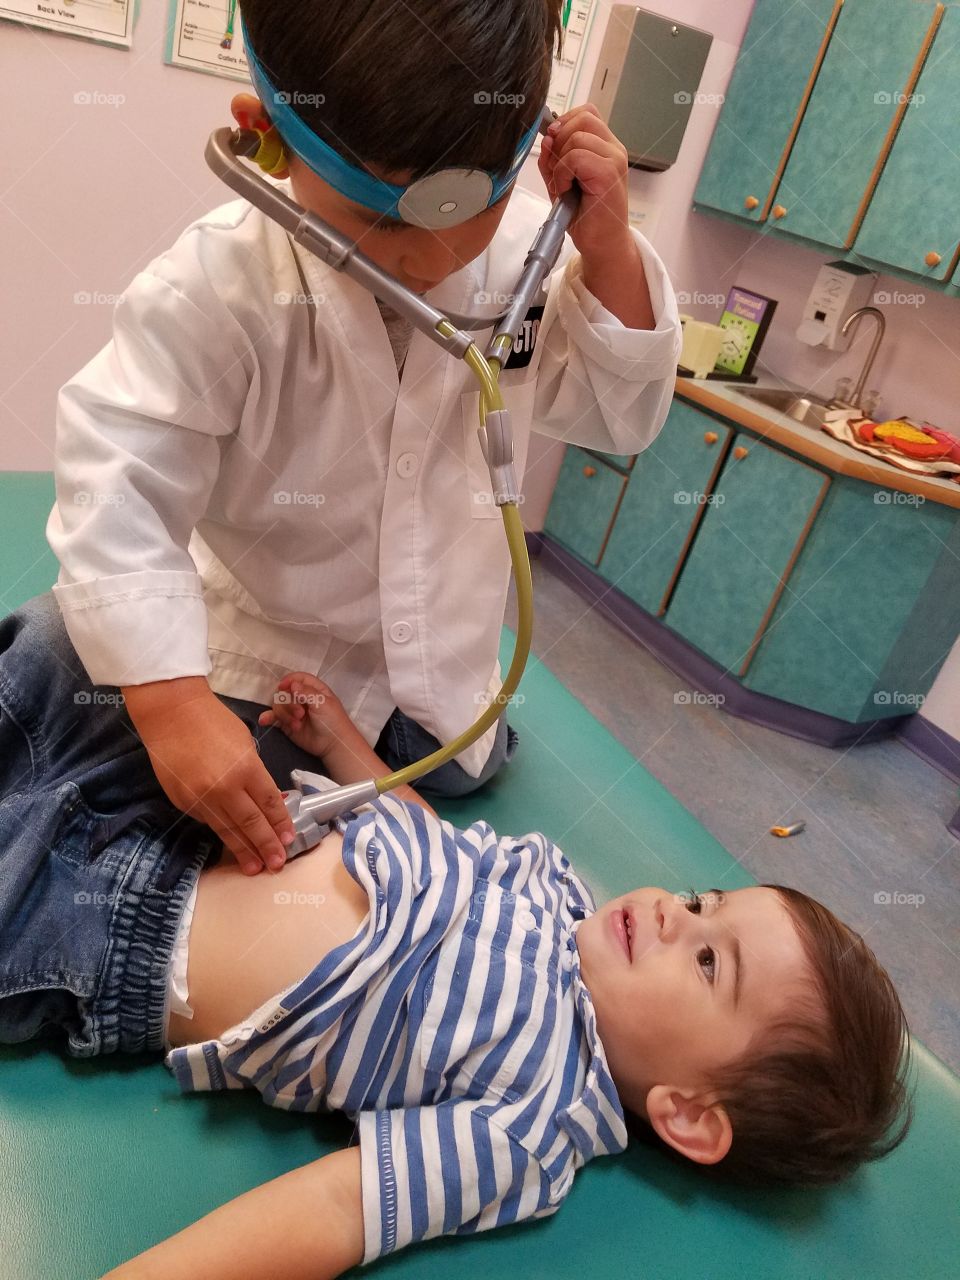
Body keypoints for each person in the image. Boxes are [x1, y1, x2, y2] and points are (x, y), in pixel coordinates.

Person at [0, 595, 912, 1280]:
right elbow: (423, 832)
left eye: (712, 961)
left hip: (103, 934)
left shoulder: (539, 1122)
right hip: (171, 814)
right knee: (54, 638)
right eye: (709, 899)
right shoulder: (558, 894)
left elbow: (334, 1209)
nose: (679, 913)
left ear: (685, 1112)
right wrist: (345, 741)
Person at [44, 0, 682, 881]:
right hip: (261, 676)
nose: (429, 254)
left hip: (444, 709)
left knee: (383, 860)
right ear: (266, 130)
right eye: (379, 217)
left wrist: (608, 247)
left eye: (473, 207)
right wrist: (170, 704)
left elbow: (621, 416)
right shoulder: (221, 283)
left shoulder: (536, 262)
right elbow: (114, 478)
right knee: (52, 664)